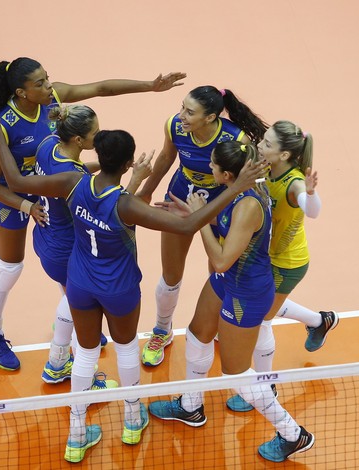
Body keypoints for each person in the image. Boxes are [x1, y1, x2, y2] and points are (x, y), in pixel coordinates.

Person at [0, 103, 268, 463]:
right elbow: (187, 225)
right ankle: (131, 418)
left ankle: (77, 434)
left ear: (97, 154)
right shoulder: (128, 205)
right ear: (129, 164)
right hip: (119, 288)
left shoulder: (72, 182)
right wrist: (236, 186)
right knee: (126, 349)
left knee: (85, 354)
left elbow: (16, 181)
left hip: (80, 282)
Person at [0, 57, 186, 371]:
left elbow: (101, 88)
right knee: (11, 265)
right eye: (39, 83)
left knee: (75, 263)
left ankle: (79, 315)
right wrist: (26, 205)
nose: (48, 86)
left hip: (52, 186)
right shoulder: (1, 124)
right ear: (21, 92)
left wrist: (150, 86)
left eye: (47, 78)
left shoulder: (53, 101)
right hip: (13, 195)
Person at [148, 141, 315, 463]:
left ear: (226, 174)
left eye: (212, 166)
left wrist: (197, 220)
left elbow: (222, 260)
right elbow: (220, 228)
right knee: (197, 335)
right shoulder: (232, 191)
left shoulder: (248, 205)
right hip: (229, 282)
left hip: (246, 292)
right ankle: (190, 406)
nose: (207, 169)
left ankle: (293, 433)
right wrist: (193, 215)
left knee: (234, 373)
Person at [135, 85, 269, 366]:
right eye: (182, 107)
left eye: (190, 112)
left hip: (222, 205)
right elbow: (165, 158)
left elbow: (251, 178)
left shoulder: (235, 139)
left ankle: (219, 325)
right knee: (170, 275)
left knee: (219, 271)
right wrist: (147, 191)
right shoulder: (174, 126)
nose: (181, 115)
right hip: (179, 197)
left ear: (210, 118)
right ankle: (162, 329)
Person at [225, 120, 338, 413]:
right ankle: (319, 320)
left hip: (288, 263)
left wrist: (311, 193)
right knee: (268, 305)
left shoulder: (294, 182)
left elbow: (312, 212)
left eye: (267, 144)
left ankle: (266, 385)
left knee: (263, 318)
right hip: (267, 256)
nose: (260, 145)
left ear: (284, 155)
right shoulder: (266, 170)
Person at [35, 104, 151, 385]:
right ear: (78, 140)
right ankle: (58, 362)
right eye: (95, 133)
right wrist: (135, 179)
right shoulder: (79, 181)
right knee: (73, 302)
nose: (98, 137)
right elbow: (112, 208)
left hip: (45, 238)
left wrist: (24, 204)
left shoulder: (48, 145)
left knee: (73, 299)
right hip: (69, 249)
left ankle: (58, 362)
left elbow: (71, 173)